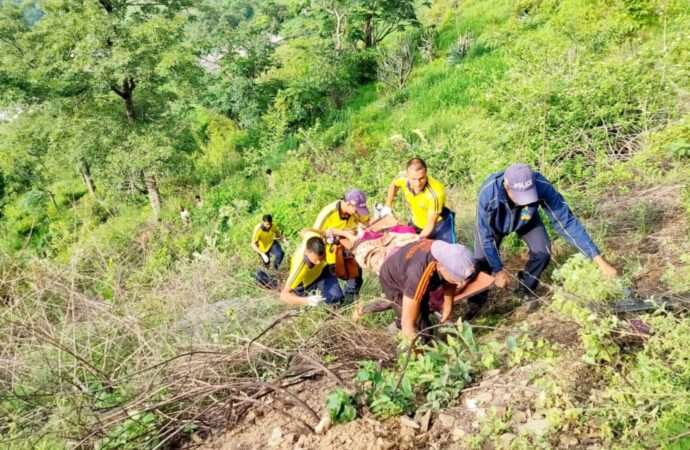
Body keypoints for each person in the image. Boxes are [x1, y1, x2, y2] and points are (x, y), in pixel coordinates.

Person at [474, 163, 617, 298]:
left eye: (527, 195)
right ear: (507, 186)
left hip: (524, 215)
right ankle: (476, 304)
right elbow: (485, 236)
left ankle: (525, 289)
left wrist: (598, 260)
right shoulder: (488, 193)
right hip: (494, 225)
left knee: (543, 251)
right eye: (519, 196)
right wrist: (498, 270)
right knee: (482, 261)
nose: (523, 199)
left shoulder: (541, 185)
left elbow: (565, 221)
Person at [378, 239, 475, 342]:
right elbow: (408, 324)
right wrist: (417, 351)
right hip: (393, 279)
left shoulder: (452, 255)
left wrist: (448, 306)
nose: (459, 285)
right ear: (440, 266)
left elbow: (450, 282)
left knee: (423, 307)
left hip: (407, 265)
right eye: (454, 279)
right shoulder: (418, 275)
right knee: (421, 331)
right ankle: (402, 328)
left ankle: (401, 319)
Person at [307, 189, 371, 300]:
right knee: (334, 296)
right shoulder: (328, 214)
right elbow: (314, 235)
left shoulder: (356, 212)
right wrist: (338, 235)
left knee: (355, 282)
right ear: (348, 203)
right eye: (357, 210)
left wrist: (360, 231)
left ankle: (351, 302)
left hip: (350, 254)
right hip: (329, 256)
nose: (358, 213)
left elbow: (366, 221)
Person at [382, 157, 456, 243]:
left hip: (438, 224)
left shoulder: (436, 193)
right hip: (417, 221)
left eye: (421, 178)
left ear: (426, 173)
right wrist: (388, 205)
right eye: (413, 179)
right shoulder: (402, 177)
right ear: (407, 175)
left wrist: (415, 241)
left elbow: (430, 225)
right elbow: (394, 185)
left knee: (446, 251)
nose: (418, 183)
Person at [280, 234, 344, 306]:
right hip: (305, 283)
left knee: (336, 298)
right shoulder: (299, 267)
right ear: (307, 253)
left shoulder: (319, 239)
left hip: (322, 271)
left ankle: (332, 310)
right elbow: (283, 295)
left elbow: (307, 232)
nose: (319, 262)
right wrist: (307, 301)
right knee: (307, 308)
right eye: (315, 260)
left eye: (321, 258)